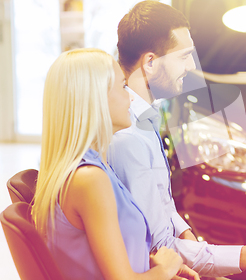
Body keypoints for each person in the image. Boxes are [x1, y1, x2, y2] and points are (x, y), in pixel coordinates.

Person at [107, 0, 246, 278]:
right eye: (183, 56)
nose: (191, 66)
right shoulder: (129, 138)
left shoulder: (145, 118)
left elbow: (163, 209)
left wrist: (191, 239)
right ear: (150, 62)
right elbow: (159, 249)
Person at [31, 49, 199, 280]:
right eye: (123, 87)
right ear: (96, 98)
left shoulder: (92, 166)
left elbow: (103, 258)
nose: (130, 97)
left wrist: (153, 267)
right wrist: (164, 270)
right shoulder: (89, 179)